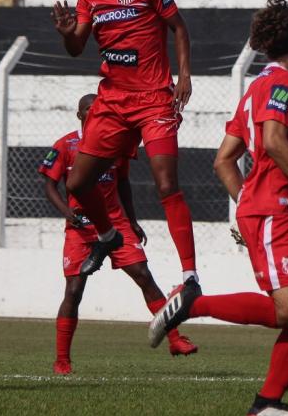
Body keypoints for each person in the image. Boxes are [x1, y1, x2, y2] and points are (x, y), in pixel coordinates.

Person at [149, 0, 288, 416]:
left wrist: (248, 202)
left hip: (277, 208)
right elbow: (273, 143)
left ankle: (267, 404)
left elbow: (226, 159)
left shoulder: (257, 87)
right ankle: (190, 302)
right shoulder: (282, 85)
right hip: (276, 209)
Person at [49, 0, 197, 283]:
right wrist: (68, 33)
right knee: (77, 183)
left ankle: (190, 274)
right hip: (112, 101)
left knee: (165, 184)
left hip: (154, 99)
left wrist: (184, 76)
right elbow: (76, 48)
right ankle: (107, 236)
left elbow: (178, 27)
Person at [40, 94, 197, 375]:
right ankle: (62, 359)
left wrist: (133, 220)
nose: (93, 112)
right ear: (79, 115)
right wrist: (67, 212)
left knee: (144, 277)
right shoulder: (66, 145)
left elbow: (122, 182)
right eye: (88, 109)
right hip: (82, 227)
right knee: (74, 291)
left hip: (116, 223)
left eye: (96, 108)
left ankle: (175, 340)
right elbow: (49, 185)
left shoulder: (112, 142)